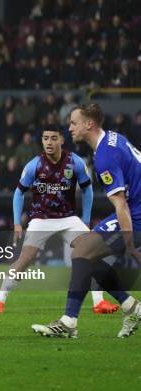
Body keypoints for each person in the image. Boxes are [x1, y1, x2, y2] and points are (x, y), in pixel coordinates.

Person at [32, 103, 141, 338]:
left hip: (136, 211)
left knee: (82, 253)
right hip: (135, 205)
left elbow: (120, 203)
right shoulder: (112, 138)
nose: (69, 128)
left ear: (89, 124)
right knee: (83, 253)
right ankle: (132, 307)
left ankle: (69, 322)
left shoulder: (104, 156)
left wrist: (130, 244)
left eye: (73, 122)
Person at [0, 126, 118, 314]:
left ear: (61, 141)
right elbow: (19, 193)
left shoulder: (75, 162)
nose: (49, 142)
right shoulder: (34, 165)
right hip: (41, 218)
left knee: (92, 253)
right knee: (26, 258)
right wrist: (17, 222)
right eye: (45, 138)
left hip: (68, 218)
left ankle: (98, 302)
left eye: (53, 138)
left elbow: (87, 189)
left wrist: (85, 218)